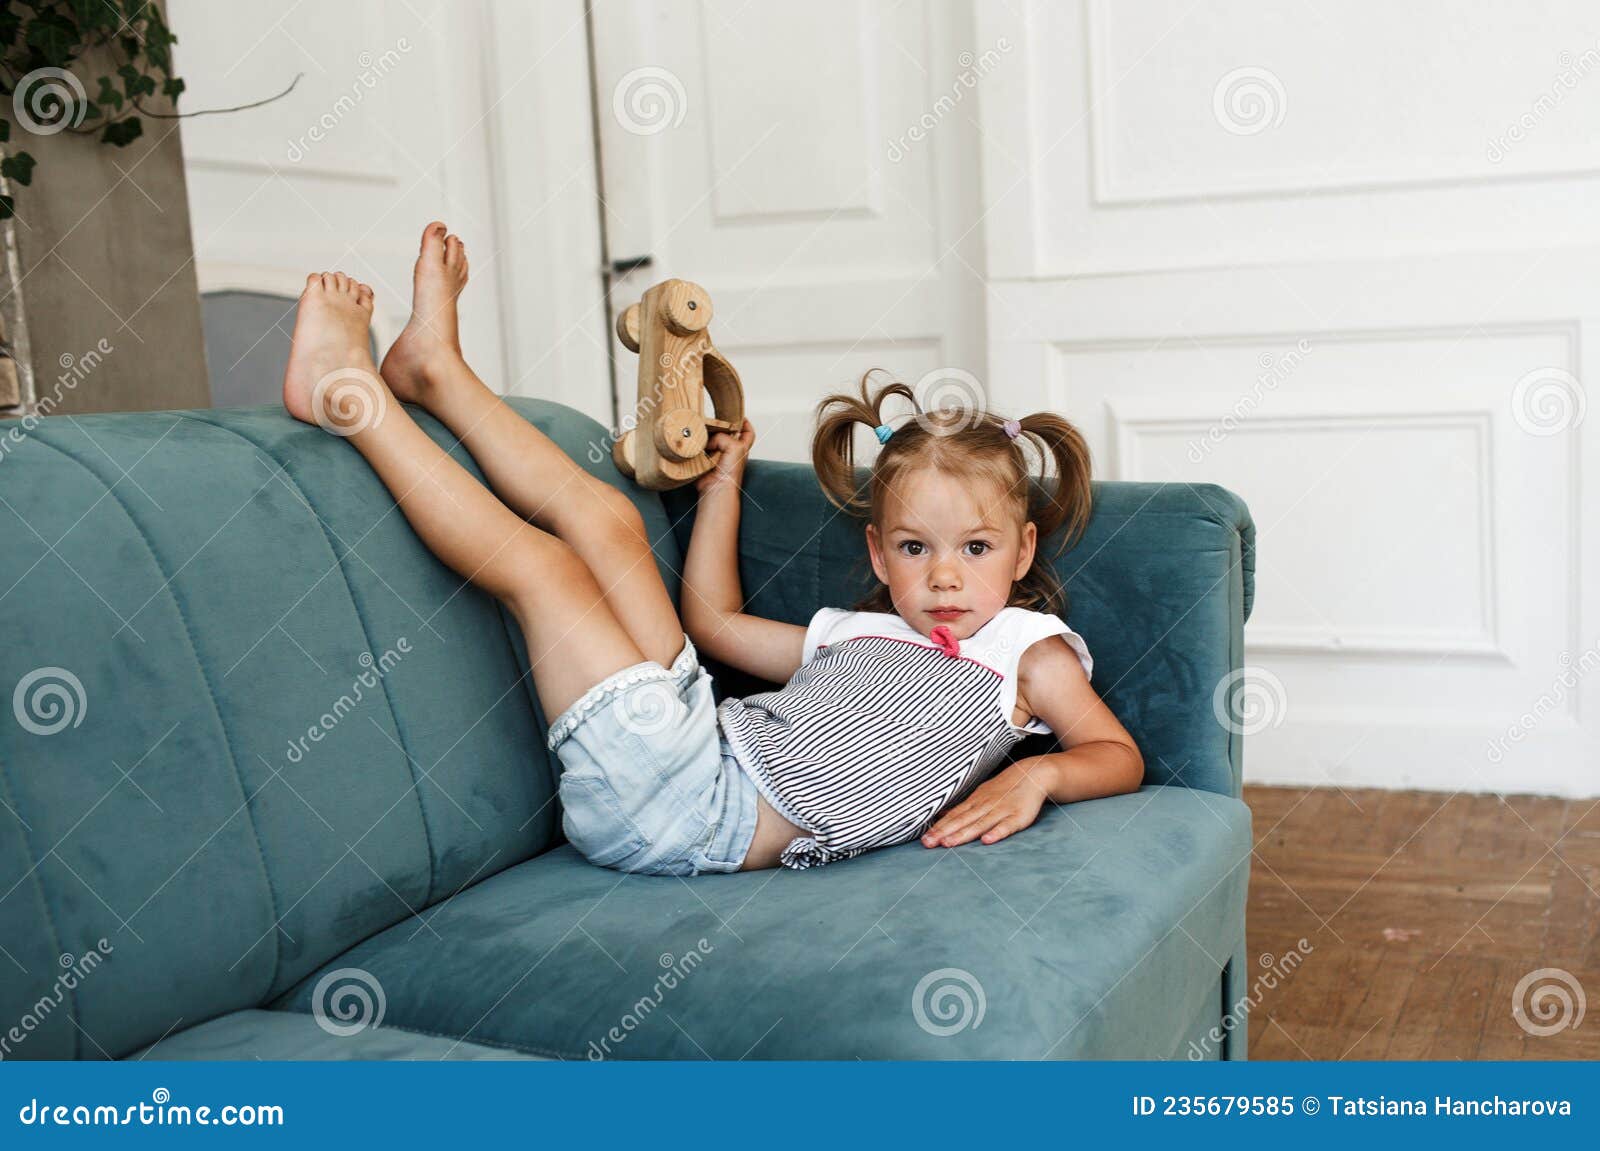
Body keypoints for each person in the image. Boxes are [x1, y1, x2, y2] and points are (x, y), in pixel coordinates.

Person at [281, 222, 1143, 876]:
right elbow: (713, 622)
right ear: (879, 556)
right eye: (916, 547)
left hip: (693, 812)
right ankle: (436, 371)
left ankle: (344, 393)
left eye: (977, 548)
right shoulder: (853, 633)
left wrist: (1039, 779)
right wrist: (722, 486)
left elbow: (1117, 754)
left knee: (543, 572)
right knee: (610, 522)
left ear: (1023, 551)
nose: (944, 574)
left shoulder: (1022, 654)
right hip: (696, 734)